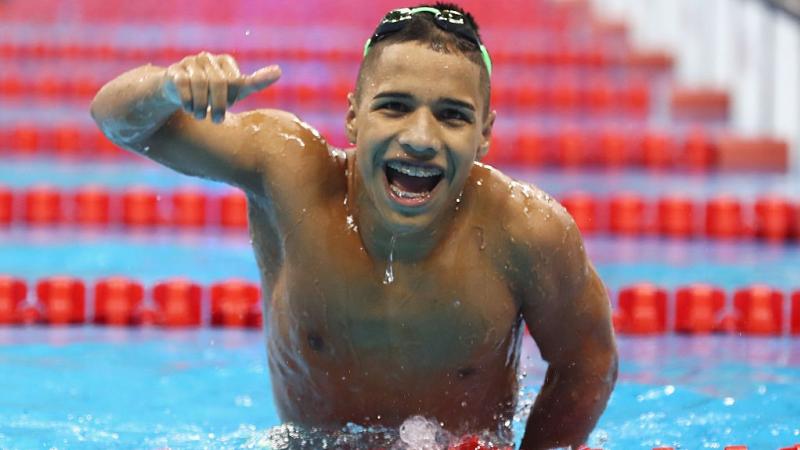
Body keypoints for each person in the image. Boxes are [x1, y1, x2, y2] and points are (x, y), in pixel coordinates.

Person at [90, 3, 618, 449]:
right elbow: (115, 118)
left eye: (452, 116)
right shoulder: (287, 169)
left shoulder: (527, 232)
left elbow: (589, 364)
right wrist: (166, 87)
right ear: (352, 117)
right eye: (394, 107)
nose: (420, 138)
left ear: (484, 134)